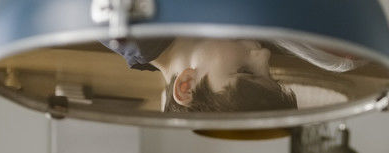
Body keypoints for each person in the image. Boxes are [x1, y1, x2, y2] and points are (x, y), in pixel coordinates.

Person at [108, 37, 296, 113]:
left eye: (245, 72)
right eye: (270, 73)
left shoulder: (131, 28)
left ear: (187, 84)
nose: (264, 55)